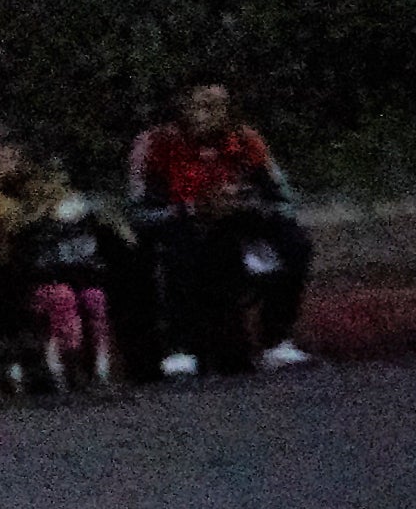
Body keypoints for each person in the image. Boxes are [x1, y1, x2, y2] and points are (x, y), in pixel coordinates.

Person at [128, 79, 311, 376]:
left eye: (218, 107)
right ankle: (180, 346)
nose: (210, 114)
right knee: (178, 250)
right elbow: (139, 213)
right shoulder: (155, 144)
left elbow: (284, 200)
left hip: (239, 226)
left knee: (294, 242)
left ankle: (276, 339)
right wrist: (192, 208)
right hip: (183, 228)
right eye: (202, 106)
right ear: (183, 107)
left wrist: (245, 204)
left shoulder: (246, 141)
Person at [0, 136, 124, 390]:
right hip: (19, 277)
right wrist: (45, 213)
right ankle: (66, 364)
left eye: (9, 159)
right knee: (62, 299)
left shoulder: (43, 190)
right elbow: (8, 230)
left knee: (94, 298)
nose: (2, 165)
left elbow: (80, 212)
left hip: (68, 270)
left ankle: (99, 363)